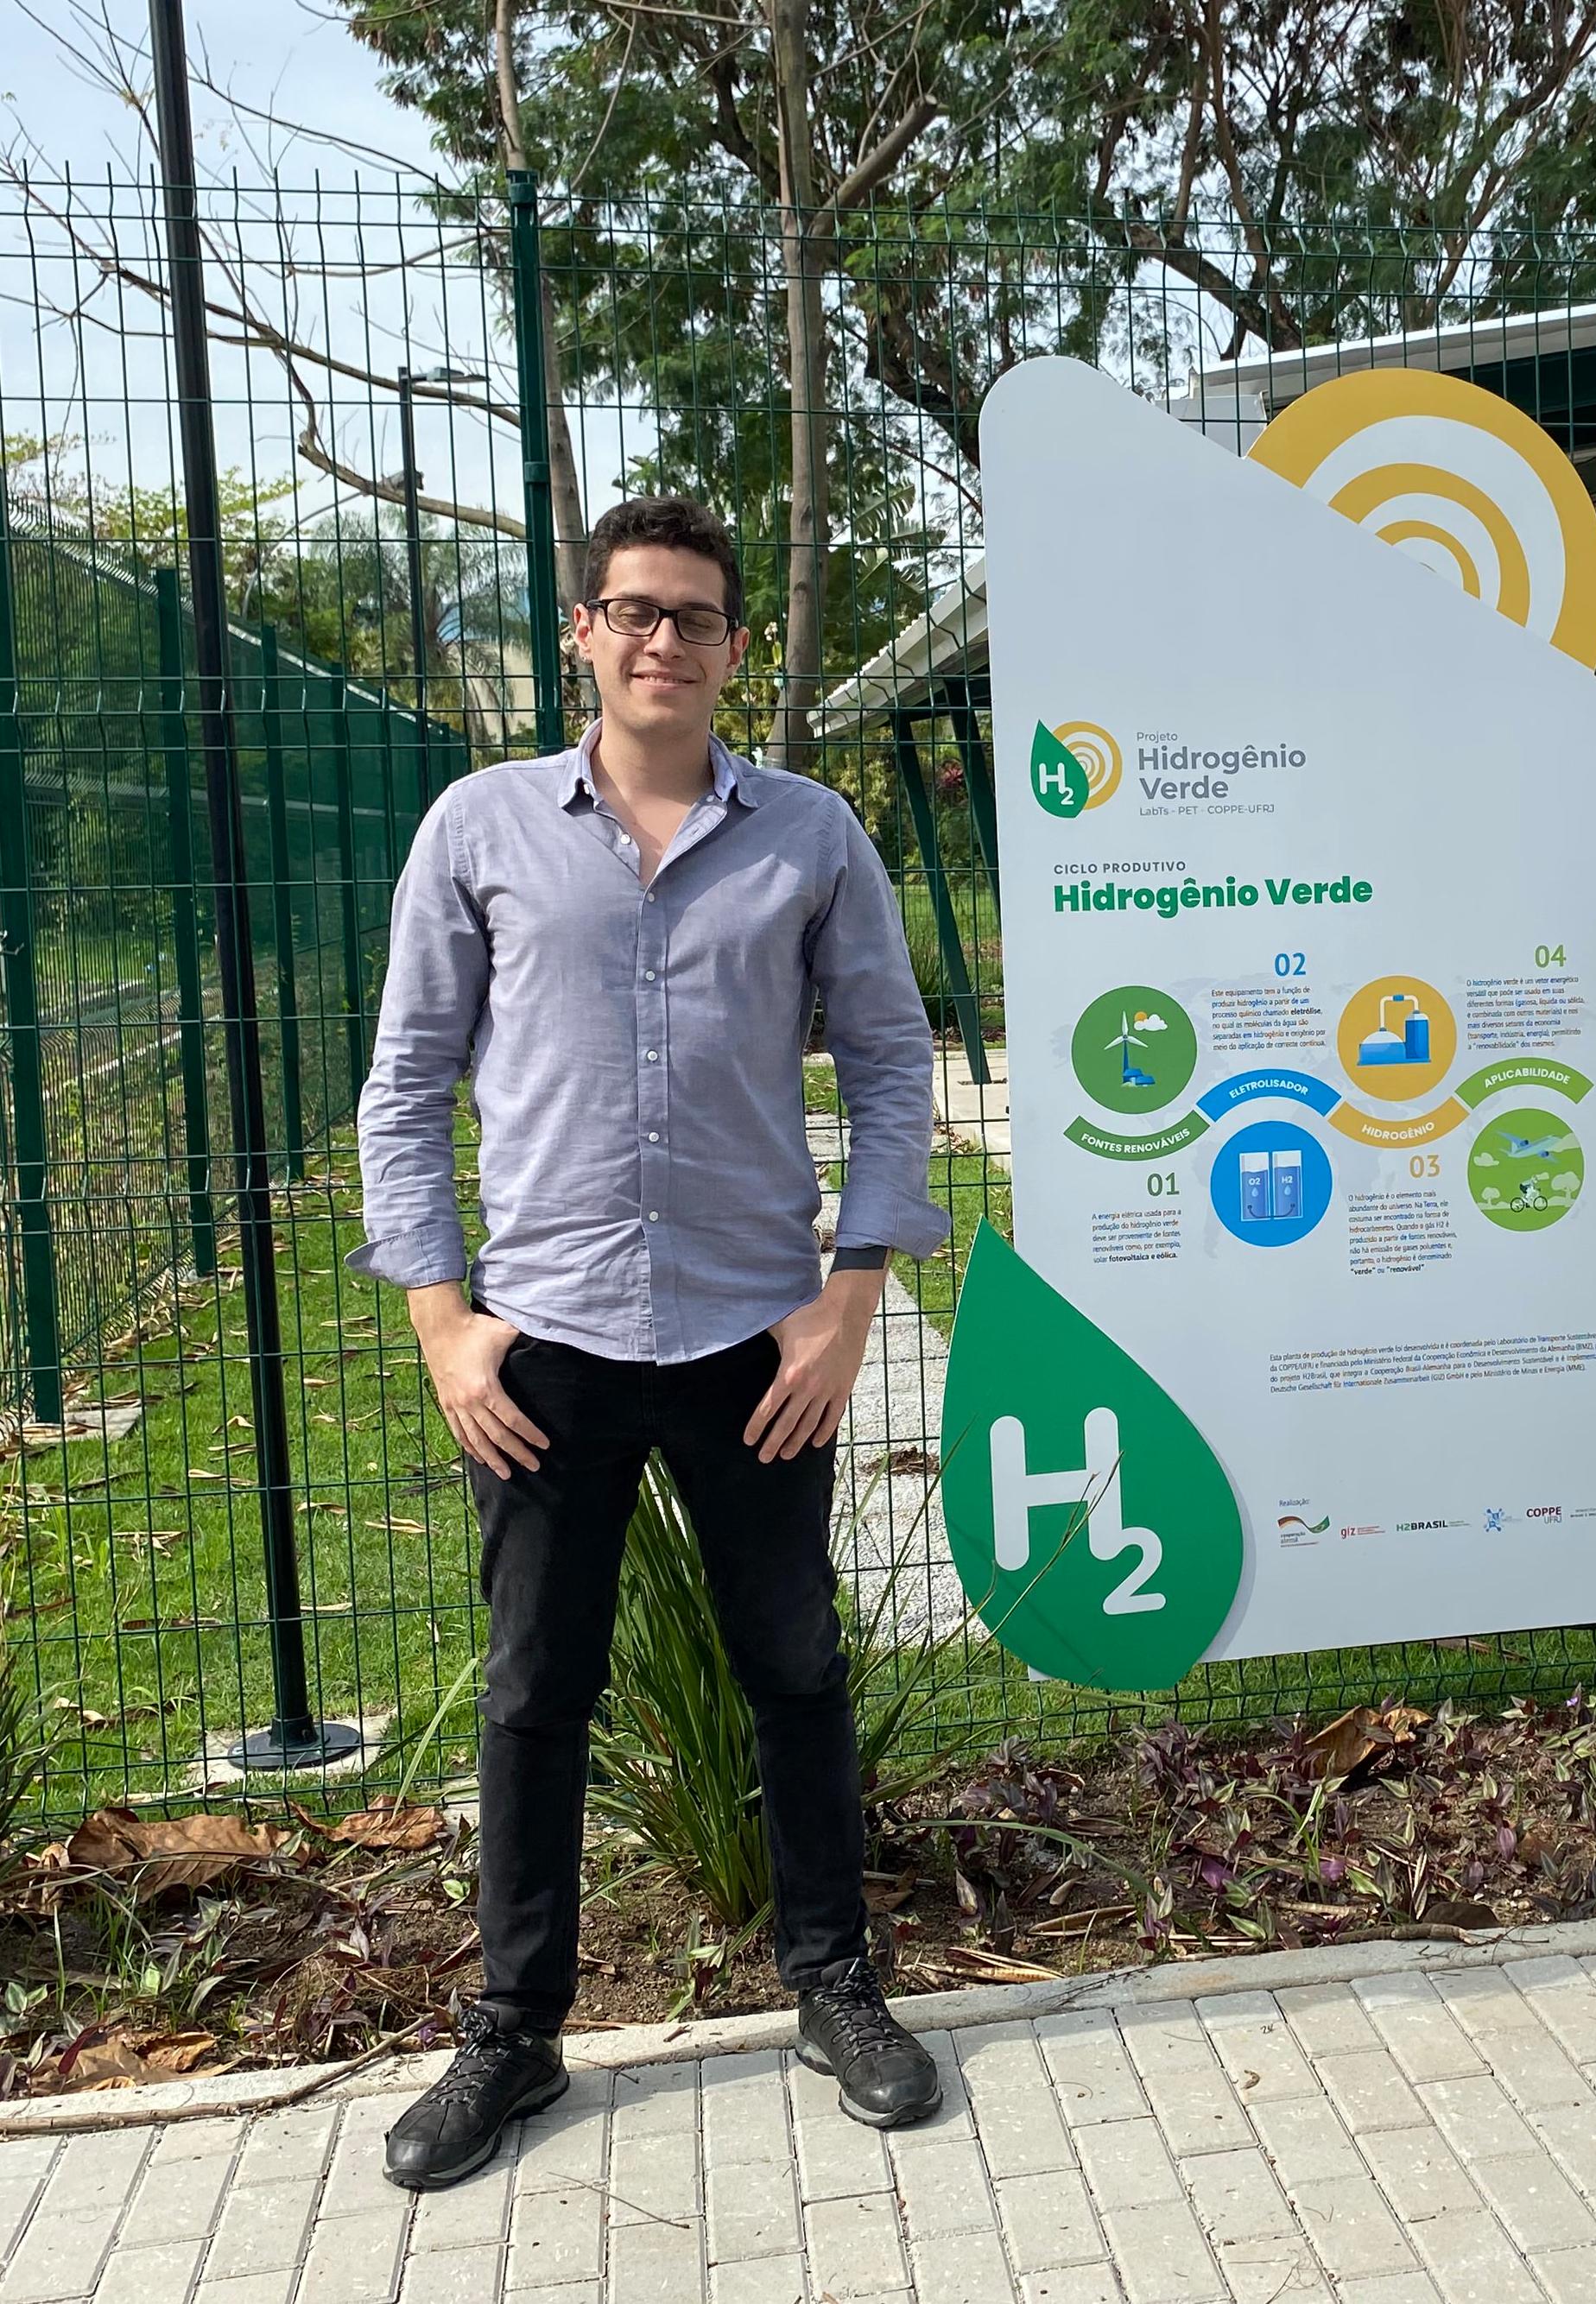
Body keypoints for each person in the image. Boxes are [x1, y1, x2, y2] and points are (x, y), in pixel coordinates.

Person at [352, 496, 951, 2188]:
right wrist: (446, 1326)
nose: (664, 640)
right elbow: (405, 1083)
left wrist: (848, 1297)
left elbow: (895, 1061)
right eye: (634, 610)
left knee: (796, 1665)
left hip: (756, 1336)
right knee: (539, 1688)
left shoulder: (811, 834)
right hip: (544, 1341)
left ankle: (833, 1979)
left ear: (736, 644)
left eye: (695, 614)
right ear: (584, 630)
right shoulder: (479, 828)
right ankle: (515, 2033)